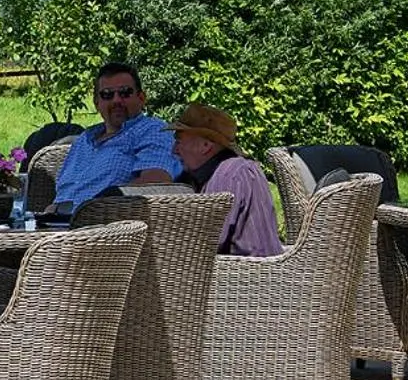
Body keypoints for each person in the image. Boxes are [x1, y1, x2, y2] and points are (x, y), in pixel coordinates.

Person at [49, 61, 181, 208]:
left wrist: (100, 204)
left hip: (107, 224)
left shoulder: (151, 130)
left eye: (125, 93)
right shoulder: (84, 139)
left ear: (141, 98)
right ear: (97, 103)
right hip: (56, 223)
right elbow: (63, 191)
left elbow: (156, 183)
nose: (117, 100)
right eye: (107, 94)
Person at [168, 102, 282, 257]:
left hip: (249, 276)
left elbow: (206, 242)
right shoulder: (203, 174)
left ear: (206, 146)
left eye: (179, 141)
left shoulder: (230, 174)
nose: (174, 150)